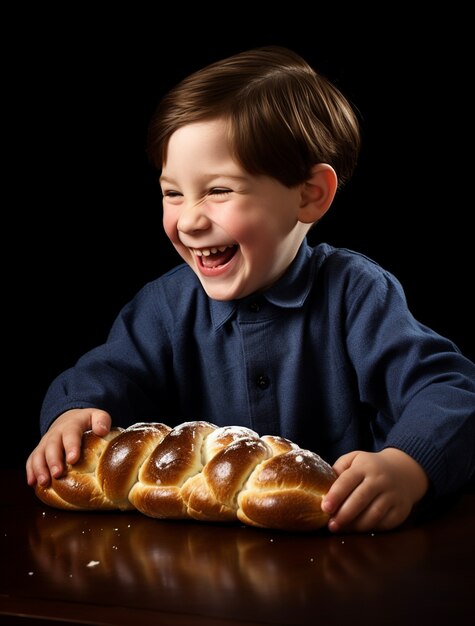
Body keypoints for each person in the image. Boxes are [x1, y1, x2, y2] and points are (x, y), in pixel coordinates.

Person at [26, 46, 475, 533]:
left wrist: (407, 466)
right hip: (201, 569)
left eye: (219, 190)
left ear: (310, 195)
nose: (190, 219)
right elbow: (105, 374)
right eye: (172, 193)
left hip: (340, 551)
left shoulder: (356, 294)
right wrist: (71, 416)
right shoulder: (164, 305)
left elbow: (450, 390)